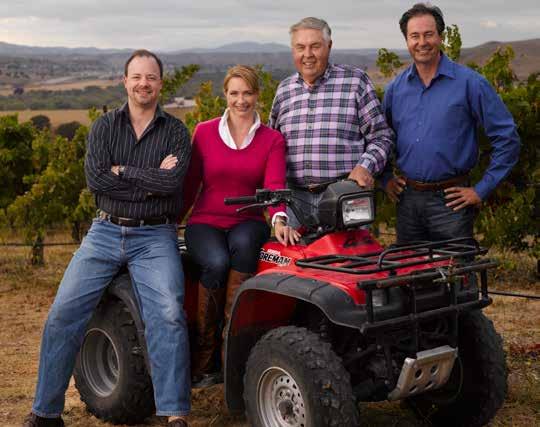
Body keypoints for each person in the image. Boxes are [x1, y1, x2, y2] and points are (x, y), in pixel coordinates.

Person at [23, 50, 192, 427]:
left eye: (151, 77)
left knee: (167, 315)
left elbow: (172, 184)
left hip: (154, 235)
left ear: (160, 83)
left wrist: (124, 171)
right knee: (63, 314)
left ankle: (174, 414)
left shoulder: (176, 132)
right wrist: (147, 180)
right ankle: (46, 412)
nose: (143, 84)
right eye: (137, 77)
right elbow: (98, 181)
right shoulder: (104, 127)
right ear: (125, 81)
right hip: (104, 231)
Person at [181, 65, 299, 387]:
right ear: (226, 95)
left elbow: (274, 186)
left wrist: (279, 218)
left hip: (248, 220)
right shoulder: (204, 132)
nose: (241, 100)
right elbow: (191, 184)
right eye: (234, 93)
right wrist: (171, 221)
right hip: (205, 221)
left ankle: (231, 355)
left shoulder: (272, 139)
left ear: (257, 96)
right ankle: (206, 357)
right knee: (216, 262)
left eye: (247, 93)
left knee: (246, 247)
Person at [382, 3, 520, 243]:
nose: (422, 42)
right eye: (415, 36)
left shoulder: (470, 84)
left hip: (451, 201)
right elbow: (380, 138)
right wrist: (385, 180)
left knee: (456, 275)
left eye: (429, 34)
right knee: (411, 276)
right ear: (406, 40)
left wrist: (481, 189)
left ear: (441, 37)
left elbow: (507, 139)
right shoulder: (395, 89)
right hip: (408, 200)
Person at [269, 17, 394, 227]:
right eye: (300, 47)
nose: (307, 54)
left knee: (350, 259)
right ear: (293, 50)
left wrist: (366, 167)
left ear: (329, 46)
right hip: (294, 203)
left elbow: (382, 137)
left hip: (345, 197)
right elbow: (271, 146)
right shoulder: (284, 91)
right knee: (297, 259)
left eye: (315, 46)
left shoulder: (356, 82)